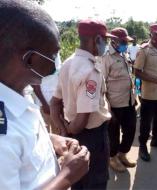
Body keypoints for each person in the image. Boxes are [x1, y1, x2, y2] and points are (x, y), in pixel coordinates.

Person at [0, 1, 90, 189]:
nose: (56, 64)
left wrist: (51, 140)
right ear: (30, 59)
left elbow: (22, 142)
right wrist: (67, 175)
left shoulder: (20, 92)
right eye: (53, 54)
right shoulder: (2, 136)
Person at [50, 19, 114, 189]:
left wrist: (63, 130)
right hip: (92, 137)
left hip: (74, 136)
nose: (106, 44)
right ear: (96, 40)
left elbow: (54, 104)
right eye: (104, 40)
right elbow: (80, 123)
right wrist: (70, 129)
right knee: (96, 181)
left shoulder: (68, 63)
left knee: (78, 180)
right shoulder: (90, 71)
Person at [101, 27, 137, 172]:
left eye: (126, 42)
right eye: (123, 41)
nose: (125, 44)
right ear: (114, 41)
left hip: (129, 101)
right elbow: (101, 86)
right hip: (114, 104)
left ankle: (122, 154)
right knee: (113, 134)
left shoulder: (124, 54)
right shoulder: (105, 57)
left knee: (131, 130)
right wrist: (107, 107)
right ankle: (112, 157)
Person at [134, 23, 157, 162]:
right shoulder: (144, 50)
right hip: (149, 95)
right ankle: (142, 146)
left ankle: (155, 139)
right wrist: (155, 80)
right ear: (150, 35)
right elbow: (137, 72)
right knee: (146, 122)